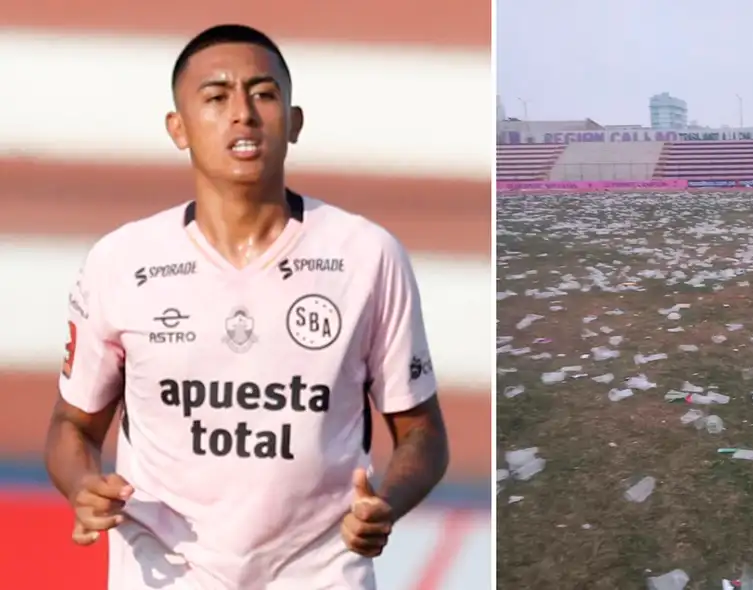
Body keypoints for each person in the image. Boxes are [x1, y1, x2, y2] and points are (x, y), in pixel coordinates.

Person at [43, 24, 449, 589]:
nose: (243, 113)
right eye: (216, 97)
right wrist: (82, 486)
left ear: (295, 121)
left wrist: (387, 503)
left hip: (320, 573)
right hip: (163, 574)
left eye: (263, 94)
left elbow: (423, 433)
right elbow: (71, 425)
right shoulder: (120, 261)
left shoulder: (367, 255)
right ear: (177, 128)